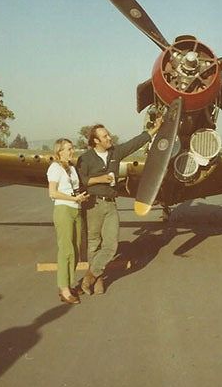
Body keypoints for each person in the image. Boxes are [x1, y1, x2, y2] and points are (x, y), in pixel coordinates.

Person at [76, 120, 162, 295]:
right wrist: (102, 179)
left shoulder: (116, 152)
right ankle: (99, 280)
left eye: (108, 135)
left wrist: (156, 129)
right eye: (105, 136)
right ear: (95, 141)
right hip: (93, 204)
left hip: (111, 204)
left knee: (111, 244)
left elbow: (135, 142)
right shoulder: (85, 158)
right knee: (94, 243)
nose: (109, 138)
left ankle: (89, 277)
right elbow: (82, 181)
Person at [47, 138, 89, 304]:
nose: (72, 151)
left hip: (76, 209)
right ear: (60, 152)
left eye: (72, 148)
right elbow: (52, 193)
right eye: (69, 149)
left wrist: (80, 198)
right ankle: (64, 289)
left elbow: (73, 189)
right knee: (66, 250)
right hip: (63, 209)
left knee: (76, 249)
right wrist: (73, 198)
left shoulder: (71, 168)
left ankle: (68, 284)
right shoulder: (55, 168)